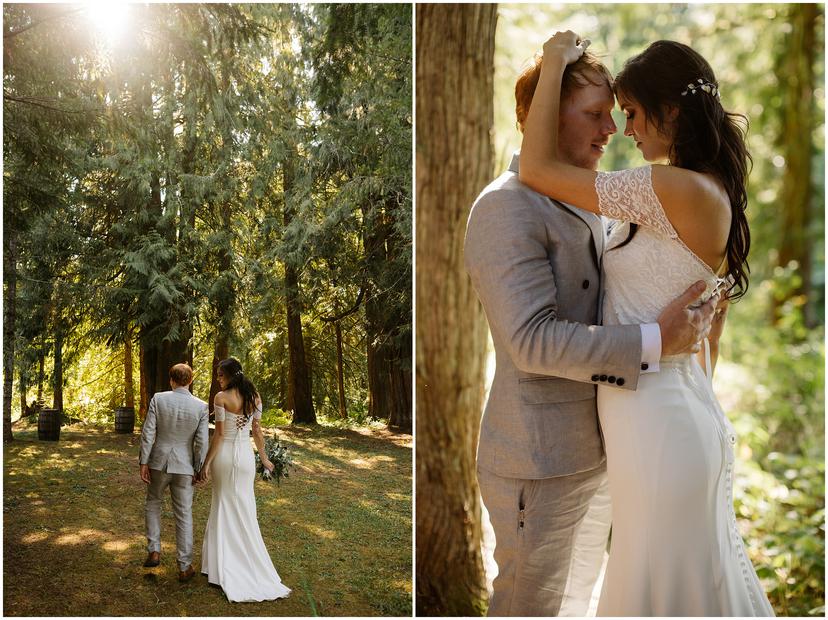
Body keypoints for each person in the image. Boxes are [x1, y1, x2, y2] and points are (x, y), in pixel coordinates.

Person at [519, 31, 774, 616]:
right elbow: (712, 324)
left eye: (631, 113)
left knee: (660, 585)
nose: (625, 130)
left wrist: (555, 61)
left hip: (659, 422)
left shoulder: (671, 187)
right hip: (663, 413)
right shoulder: (701, 190)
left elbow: (536, 166)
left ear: (673, 111)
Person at [464, 48, 716, 616]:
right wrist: (657, 341)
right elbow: (533, 340)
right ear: (548, 114)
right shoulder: (505, 207)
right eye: (595, 114)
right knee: (531, 608)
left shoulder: (590, 199)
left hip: (606, 451)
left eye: (616, 114)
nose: (613, 130)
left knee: (581, 604)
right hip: (540, 461)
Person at [199, 357, 291, 603]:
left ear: (230, 375)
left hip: (226, 456)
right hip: (246, 458)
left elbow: (219, 434)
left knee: (223, 504)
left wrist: (206, 463)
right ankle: (243, 561)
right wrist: (264, 458)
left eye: (220, 375)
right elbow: (257, 430)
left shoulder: (221, 398)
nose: (218, 379)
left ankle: (220, 566)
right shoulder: (255, 397)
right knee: (244, 507)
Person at [139, 362, 209, 582]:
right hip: (185, 466)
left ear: (171, 379)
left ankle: (154, 550)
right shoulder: (201, 406)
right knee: (184, 514)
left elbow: (148, 432)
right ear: (190, 381)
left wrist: (144, 461)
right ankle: (184, 566)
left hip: (159, 461)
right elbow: (201, 442)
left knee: (153, 503)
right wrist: (199, 468)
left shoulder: (159, 399)